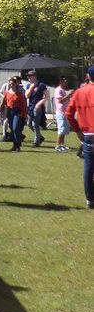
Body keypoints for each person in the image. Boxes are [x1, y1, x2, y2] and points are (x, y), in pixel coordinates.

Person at [65, 66, 94, 208]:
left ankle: (90, 199)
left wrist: (77, 130)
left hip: (87, 134)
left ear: (88, 76)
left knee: (88, 167)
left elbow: (68, 114)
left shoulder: (79, 92)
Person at [0, 76, 28, 152]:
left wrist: (24, 114)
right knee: (12, 128)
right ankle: (14, 145)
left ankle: (18, 145)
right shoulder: (7, 93)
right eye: (10, 84)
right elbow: (4, 102)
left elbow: (23, 104)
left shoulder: (19, 94)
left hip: (17, 111)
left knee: (16, 128)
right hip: (10, 111)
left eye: (13, 84)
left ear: (16, 85)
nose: (11, 86)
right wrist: (1, 111)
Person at [25, 70, 48, 147]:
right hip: (30, 106)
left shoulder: (41, 85)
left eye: (29, 76)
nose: (28, 78)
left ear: (34, 76)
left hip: (37, 107)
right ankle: (40, 137)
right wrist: (31, 87)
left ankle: (36, 141)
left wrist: (39, 103)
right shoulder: (29, 85)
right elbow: (27, 96)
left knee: (35, 124)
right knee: (29, 123)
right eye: (27, 76)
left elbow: (47, 96)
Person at [54, 75, 72, 151]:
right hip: (60, 112)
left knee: (64, 129)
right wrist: (69, 94)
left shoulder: (63, 90)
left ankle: (62, 145)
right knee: (61, 129)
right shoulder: (58, 90)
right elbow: (60, 100)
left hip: (64, 112)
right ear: (60, 81)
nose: (66, 82)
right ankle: (58, 145)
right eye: (64, 80)